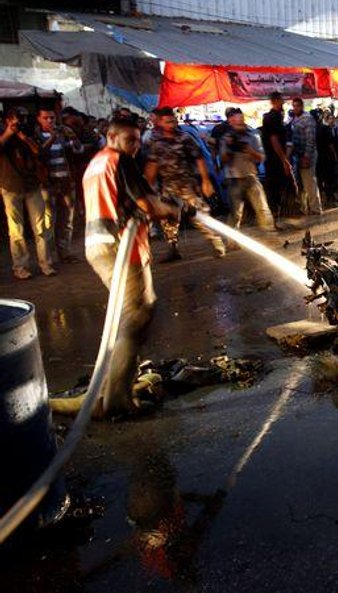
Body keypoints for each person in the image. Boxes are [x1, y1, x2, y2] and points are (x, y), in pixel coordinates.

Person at [83, 116, 181, 417]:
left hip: (97, 246)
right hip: (120, 248)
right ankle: (116, 399)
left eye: (138, 140)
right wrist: (175, 209)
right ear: (112, 137)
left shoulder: (96, 163)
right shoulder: (120, 161)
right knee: (137, 316)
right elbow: (147, 204)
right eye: (130, 140)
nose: (136, 147)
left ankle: (107, 391)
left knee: (130, 314)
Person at [144, 107, 225, 261]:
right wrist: (148, 187)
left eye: (173, 120)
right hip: (168, 187)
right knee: (169, 221)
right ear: (160, 122)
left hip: (187, 185)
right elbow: (152, 165)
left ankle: (216, 243)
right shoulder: (156, 142)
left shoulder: (184, 138)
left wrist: (206, 181)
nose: (172, 124)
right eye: (168, 121)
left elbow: (199, 158)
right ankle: (173, 250)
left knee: (200, 215)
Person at [1, 108, 55, 279]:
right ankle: (20, 267)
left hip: (32, 185)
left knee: (41, 227)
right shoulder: (4, 136)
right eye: (16, 120)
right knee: (16, 230)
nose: (19, 123)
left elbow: (39, 152)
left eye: (22, 119)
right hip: (10, 186)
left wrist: (25, 139)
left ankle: (46, 264)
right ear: (7, 121)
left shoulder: (28, 134)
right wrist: (9, 134)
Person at [35, 107, 84, 264]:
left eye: (52, 118)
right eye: (46, 118)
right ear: (39, 119)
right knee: (49, 221)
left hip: (66, 182)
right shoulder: (36, 136)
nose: (50, 121)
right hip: (48, 184)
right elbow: (40, 155)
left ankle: (65, 252)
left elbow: (79, 150)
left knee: (67, 220)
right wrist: (52, 137)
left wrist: (73, 136)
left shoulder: (63, 135)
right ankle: (47, 259)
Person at [219, 108, 275, 232]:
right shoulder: (226, 138)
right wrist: (229, 148)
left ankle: (270, 235)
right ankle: (232, 241)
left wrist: (250, 151)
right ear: (231, 123)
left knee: (262, 208)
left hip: (251, 176)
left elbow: (261, 157)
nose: (239, 125)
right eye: (235, 122)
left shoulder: (253, 135)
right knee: (235, 213)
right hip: (233, 179)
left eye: (240, 122)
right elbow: (223, 160)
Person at [261, 92, 293, 217]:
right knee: (275, 189)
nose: (283, 103)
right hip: (274, 160)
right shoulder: (271, 117)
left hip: (276, 159)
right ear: (275, 101)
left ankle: (277, 216)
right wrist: (284, 160)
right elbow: (274, 141)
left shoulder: (277, 116)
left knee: (278, 188)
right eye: (281, 100)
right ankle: (273, 217)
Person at [288, 97, 319, 215]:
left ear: (302, 106)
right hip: (297, 155)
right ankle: (304, 208)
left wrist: (307, 156)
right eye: (294, 106)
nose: (295, 108)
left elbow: (310, 139)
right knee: (300, 183)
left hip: (307, 154)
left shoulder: (308, 119)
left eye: (297, 106)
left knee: (309, 182)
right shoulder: (293, 119)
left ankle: (315, 208)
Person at [315, 110, 338, 208]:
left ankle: (324, 199)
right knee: (328, 179)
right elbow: (330, 144)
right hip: (326, 157)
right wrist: (335, 155)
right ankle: (329, 199)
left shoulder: (317, 128)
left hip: (319, 157)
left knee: (322, 179)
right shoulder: (326, 129)